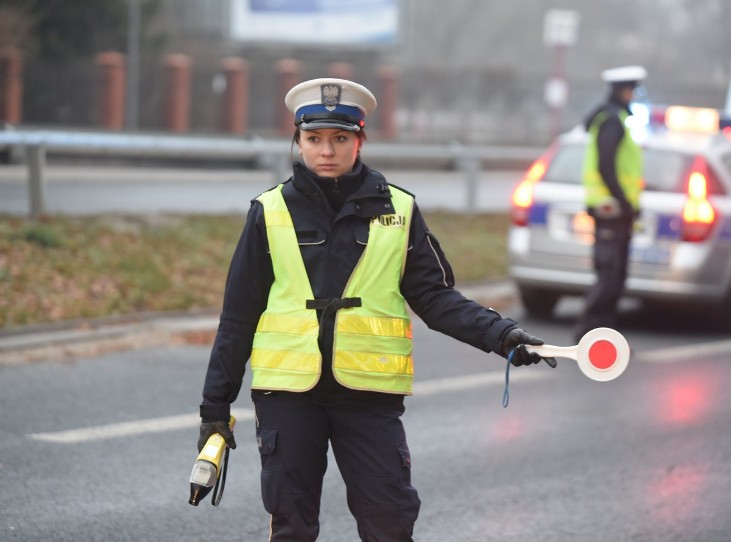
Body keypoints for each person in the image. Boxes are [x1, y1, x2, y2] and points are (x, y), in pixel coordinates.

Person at [195, 77, 553, 542]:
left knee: (390, 521)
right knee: (292, 527)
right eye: (314, 139)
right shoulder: (269, 211)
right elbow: (238, 317)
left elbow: (436, 298)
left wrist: (501, 336)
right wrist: (214, 409)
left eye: (340, 138)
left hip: (368, 395)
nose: (327, 151)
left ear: (360, 141)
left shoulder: (399, 211)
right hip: (287, 395)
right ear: (298, 142)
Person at [575, 65, 646, 343]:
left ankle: (604, 336)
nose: (633, 95)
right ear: (622, 90)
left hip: (615, 209)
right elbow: (606, 166)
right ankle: (588, 333)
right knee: (608, 275)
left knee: (615, 276)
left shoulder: (614, 119)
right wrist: (625, 202)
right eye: (631, 90)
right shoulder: (612, 122)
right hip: (611, 209)